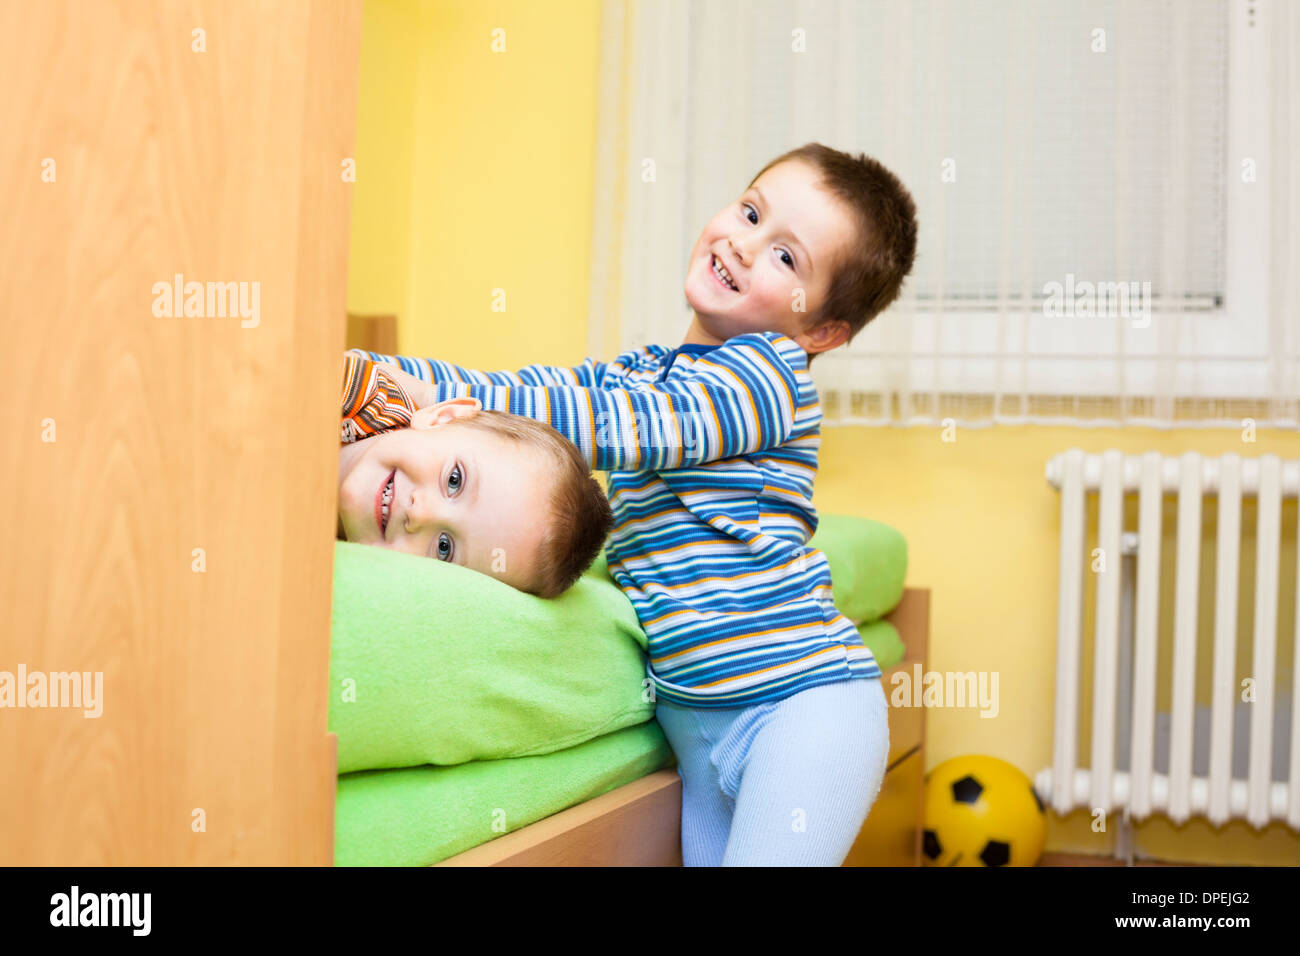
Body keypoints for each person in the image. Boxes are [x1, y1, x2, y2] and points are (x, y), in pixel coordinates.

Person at [362, 142, 918, 865]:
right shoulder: (644, 372)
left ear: (820, 332)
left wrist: (427, 394)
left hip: (802, 708)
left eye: (787, 258)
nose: (744, 245)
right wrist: (396, 379)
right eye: (750, 212)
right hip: (698, 727)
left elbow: (625, 422)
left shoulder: (768, 378)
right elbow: (543, 400)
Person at [336, 351, 612, 598]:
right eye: (454, 481)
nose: (422, 514)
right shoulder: (359, 393)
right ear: (444, 417)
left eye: (444, 548)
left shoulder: (338, 575)